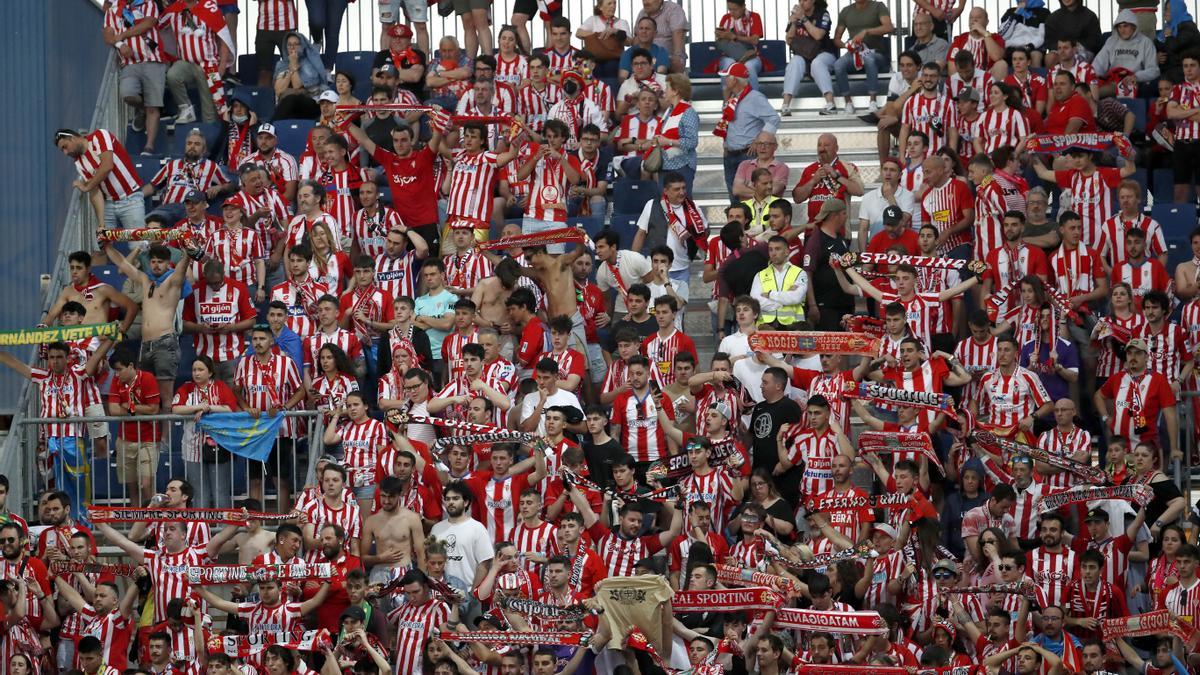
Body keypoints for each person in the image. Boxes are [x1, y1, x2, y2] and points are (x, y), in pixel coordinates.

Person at [813, 0, 894, 115]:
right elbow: (836, 39)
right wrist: (847, 45)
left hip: (877, 53)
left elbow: (889, 27)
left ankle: (873, 102)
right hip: (854, 54)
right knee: (838, 65)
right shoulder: (846, 11)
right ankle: (848, 103)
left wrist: (866, 32)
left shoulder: (878, 6)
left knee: (869, 59)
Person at [717, 63, 781, 199]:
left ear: (734, 80)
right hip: (731, 154)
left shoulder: (754, 97)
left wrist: (759, 140)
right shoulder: (734, 97)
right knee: (734, 199)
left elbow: (774, 118)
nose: (725, 80)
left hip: (746, 154)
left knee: (749, 198)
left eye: (727, 77)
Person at [782, 0, 838, 116]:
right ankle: (785, 105)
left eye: (805, 0)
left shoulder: (822, 13)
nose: (802, 3)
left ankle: (830, 104)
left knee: (817, 63)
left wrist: (803, 19)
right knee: (794, 62)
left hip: (824, 53)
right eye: (800, 0)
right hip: (804, 55)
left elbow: (818, 35)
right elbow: (789, 40)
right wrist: (793, 23)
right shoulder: (796, 15)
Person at [637, 0, 689, 74]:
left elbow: (678, 33)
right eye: (643, 0)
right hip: (646, 60)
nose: (645, 2)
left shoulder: (673, 9)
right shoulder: (642, 13)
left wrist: (677, 57)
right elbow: (637, 37)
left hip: (669, 59)